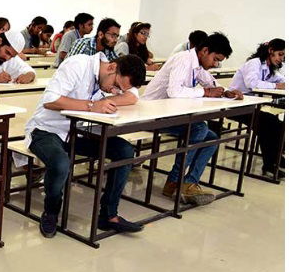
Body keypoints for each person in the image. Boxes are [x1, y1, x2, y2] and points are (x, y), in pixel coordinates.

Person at [25, 53, 147, 238]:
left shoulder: (111, 76)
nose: (115, 91)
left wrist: (105, 100)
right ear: (112, 67)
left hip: (78, 133)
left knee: (125, 150)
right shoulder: (78, 65)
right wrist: (92, 105)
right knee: (60, 164)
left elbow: (132, 96)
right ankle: (51, 212)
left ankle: (108, 215)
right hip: (47, 131)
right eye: (115, 86)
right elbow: (50, 100)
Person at [143, 32, 241, 205]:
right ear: (204, 51)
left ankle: (188, 183)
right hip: (150, 115)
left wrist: (226, 92)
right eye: (215, 59)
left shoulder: (198, 65)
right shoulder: (183, 59)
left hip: (168, 115)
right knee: (200, 128)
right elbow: (174, 92)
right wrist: (205, 92)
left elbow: (211, 83)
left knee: (212, 139)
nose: (216, 64)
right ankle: (174, 182)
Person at [229, 38, 285, 175]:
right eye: (280, 54)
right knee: (268, 123)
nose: (282, 59)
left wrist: (282, 83)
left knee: (278, 124)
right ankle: (270, 164)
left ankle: (275, 160)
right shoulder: (254, 63)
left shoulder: (270, 67)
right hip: (235, 105)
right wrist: (276, 86)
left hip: (251, 106)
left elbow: (282, 80)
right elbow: (252, 83)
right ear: (270, 50)